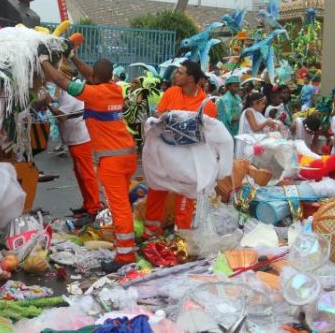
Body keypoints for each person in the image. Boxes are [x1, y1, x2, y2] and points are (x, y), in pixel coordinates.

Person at [38, 47, 137, 272]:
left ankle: (125, 255)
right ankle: (125, 247)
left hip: (112, 159)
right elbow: (92, 75)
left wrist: (43, 60)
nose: (89, 76)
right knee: (122, 206)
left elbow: (61, 81)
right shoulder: (113, 90)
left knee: (119, 207)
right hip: (126, 154)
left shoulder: (94, 94)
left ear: (96, 78)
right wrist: (72, 56)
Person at [143, 60, 218, 238]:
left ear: (191, 78)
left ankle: (181, 238)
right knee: (156, 191)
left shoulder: (207, 105)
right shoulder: (170, 92)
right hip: (164, 157)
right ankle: (150, 233)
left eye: (180, 72)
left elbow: (207, 134)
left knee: (185, 197)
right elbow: (159, 115)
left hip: (188, 160)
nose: (175, 75)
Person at [44, 62, 99, 224]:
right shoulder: (68, 89)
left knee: (86, 174)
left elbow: (61, 116)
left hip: (80, 139)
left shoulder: (70, 93)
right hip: (75, 137)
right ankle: (88, 204)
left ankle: (94, 208)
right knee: (80, 173)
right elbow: (58, 99)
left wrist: (48, 103)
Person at [237, 92, 278, 157]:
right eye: (263, 104)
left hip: (256, 142)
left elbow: (262, 125)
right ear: (255, 103)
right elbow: (255, 128)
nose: (264, 106)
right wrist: (267, 122)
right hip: (249, 143)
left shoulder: (257, 113)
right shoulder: (249, 111)